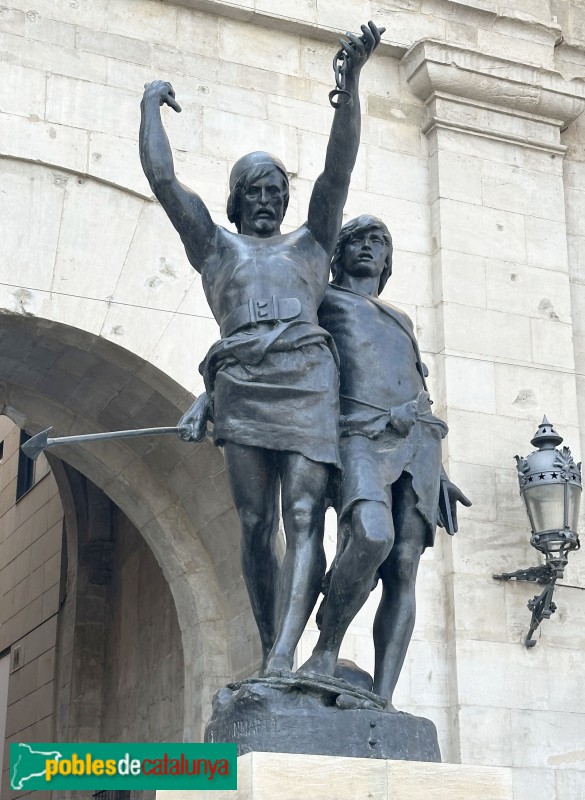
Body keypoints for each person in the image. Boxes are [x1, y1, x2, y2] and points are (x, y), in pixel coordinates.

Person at [139, 24, 383, 676]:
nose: (270, 198)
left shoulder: (312, 243)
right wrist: (150, 104)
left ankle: (281, 658)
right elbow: (163, 180)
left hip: (306, 376)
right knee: (254, 523)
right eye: (257, 189)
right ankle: (269, 637)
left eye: (277, 189)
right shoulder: (214, 247)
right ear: (238, 198)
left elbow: (338, 168)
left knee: (303, 513)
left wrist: (349, 85)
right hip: (243, 381)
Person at [299, 215, 471, 705]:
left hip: (418, 444)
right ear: (339, 252)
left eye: (378, 241)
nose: (368, 247)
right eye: (356, 239)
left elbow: (418, 390)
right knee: (372, 535)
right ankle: (325, 651)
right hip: (359, 433)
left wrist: (440, 471)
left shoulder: (401, 319)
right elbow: (285, 353)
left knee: (403, 566)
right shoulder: (323, 299)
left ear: (388, 258)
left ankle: (384, 696)